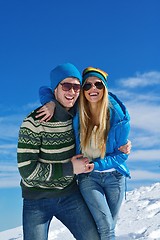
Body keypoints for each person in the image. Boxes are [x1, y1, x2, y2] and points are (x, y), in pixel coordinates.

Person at [36, 66, 131, 240]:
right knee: (106, 227)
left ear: (105, 88)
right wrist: (49, 103)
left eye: (98, 84)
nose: (92, 89)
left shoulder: (120, 118)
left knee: (107, 226)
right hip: (89, 177)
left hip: (115, 178)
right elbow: (45, 89)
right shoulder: (77, 109)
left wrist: (97, 164)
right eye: (87, 86)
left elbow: (122, 155)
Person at [17, 63, 101, 240]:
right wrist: (70, 168)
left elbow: (105, 101)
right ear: (55, 89)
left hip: (69, 195)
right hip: (36, 200)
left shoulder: (78, 116)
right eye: (66, 86)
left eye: (76, 87)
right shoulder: (34, 121)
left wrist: (123, 144)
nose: (72, 92)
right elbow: (27, 171)